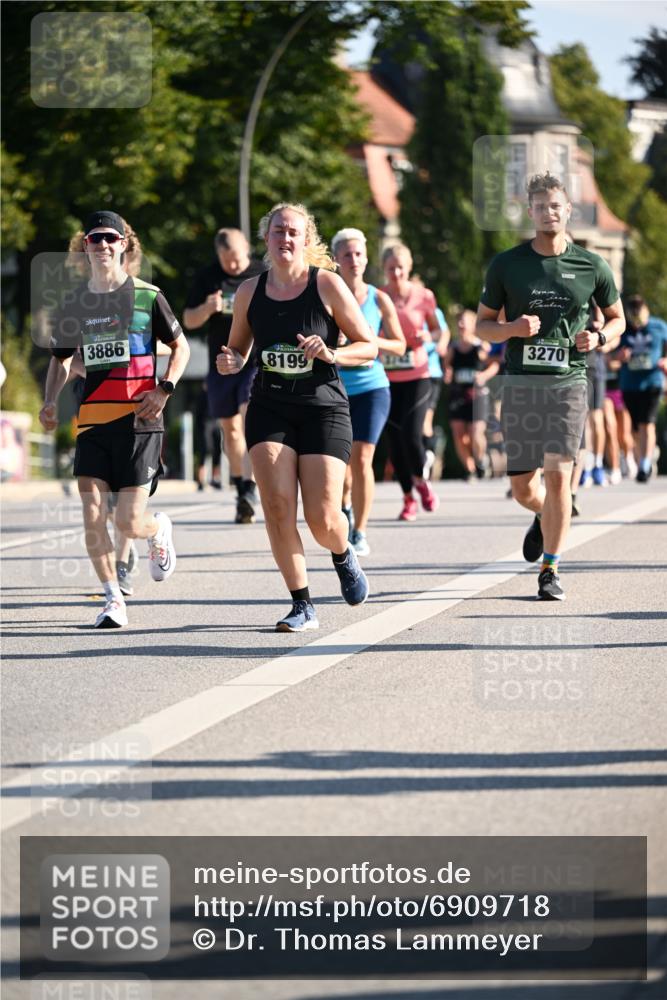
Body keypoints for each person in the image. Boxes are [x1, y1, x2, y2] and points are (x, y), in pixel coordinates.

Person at [217, 202, 376, 632]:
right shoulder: (249, 292)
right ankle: (302, 603)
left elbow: (368, 346)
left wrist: (333, 353)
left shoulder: (326, 284)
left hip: (323, 407)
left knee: (322, 518)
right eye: (278, 231)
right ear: (266, 238)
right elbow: (239, 348)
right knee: (276, 506)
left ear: (306, 240)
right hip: (269, 407)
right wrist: (232, 361)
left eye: (293, 232)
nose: (285, 238)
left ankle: (342, 552)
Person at [476, 172, 625, 601]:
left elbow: (618, 319)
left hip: (568, 383)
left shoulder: (592, 266)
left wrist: (599, 337)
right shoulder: (507, 264)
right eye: (540, 207)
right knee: (524, 488)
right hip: (521, 385)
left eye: (555, 206)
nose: (549, 213)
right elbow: (482, 326)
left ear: (568, 210)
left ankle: (550, 568)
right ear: (530, 212)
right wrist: (511, 328)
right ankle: (544, 515)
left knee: (560, 477)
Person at [39, 210, 190, 628]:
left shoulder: (148, 296)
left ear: (123, 244)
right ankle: (113, 599)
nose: (102, 245)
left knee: (128, 521)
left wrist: (164, 389)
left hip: (140, 422)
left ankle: (157, 528)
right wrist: (49, 401)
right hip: (92, 421)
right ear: (85, 246)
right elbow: (61, 359)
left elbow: (181, 348)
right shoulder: (74, 303)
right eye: (95, 238)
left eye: (110, 238)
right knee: (92, 514)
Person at [331, 227, 405, 556]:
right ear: (336, 259)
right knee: (341, 467)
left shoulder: (378, 298)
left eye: (359, 253)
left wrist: (368, 340)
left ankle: (359, 531)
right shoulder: (325, 293)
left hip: (373, 387)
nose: (354, 259)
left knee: (362, 458)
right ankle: (345, 506)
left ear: (366, 258)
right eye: (347, 254)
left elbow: (400, 345)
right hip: (335, 389)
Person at [183, 228, 264, 522]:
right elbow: (188, 320)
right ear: (218, 255)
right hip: (221, 363)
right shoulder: (208, 277)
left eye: (237, 258)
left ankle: (251, 487)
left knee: (249, 418)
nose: (233, 265)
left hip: (254, 363)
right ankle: (242, 488)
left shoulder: (262, 273)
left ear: (246, 248)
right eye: (226, 259)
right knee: (230, 430)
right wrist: (207, 308)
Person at [381, 244, 445, 521]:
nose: (396, 273)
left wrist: (430, 338)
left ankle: (421, 481)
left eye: (400, 268)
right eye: (391, 268)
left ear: (408, 268)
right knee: (395, 441)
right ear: (384, 270)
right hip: (387, 377)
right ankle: (408, 498)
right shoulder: (378, 296)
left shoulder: (424, 296)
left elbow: (438, 330)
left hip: (418, 374)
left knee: (411, 434)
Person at [617, 294, 667, 483]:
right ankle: (643, 458)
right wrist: (619, 356)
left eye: (640, 319)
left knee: (648, 423)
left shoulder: (659, 326)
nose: (637, 323)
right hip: (630, 384)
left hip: (653, 381)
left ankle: (644, 465)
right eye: (633, 319)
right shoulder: (623, 328)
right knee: (636, 428)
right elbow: (610, 356)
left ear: (646, 311)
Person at [444, 308, 496, 480]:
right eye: (459, 321)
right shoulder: (453, 348)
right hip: (458, 395)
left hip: (477, 395)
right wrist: (447, 372)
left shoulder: (481, 347)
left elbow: (494, 365)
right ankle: (470, 470)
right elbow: (447, 366)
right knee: (459, 436)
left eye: (464, 321)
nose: (460, 324)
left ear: (473, 325)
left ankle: (481, 460)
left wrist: (483, 376)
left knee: (475, 433)